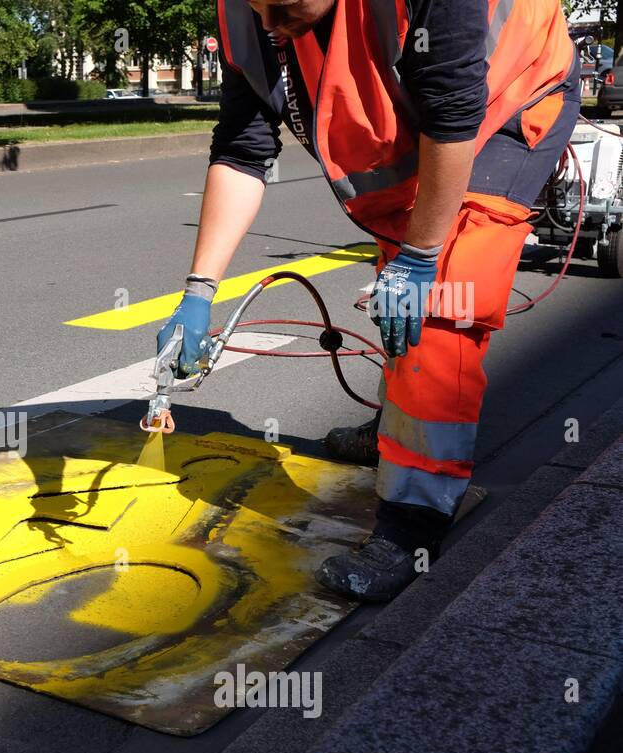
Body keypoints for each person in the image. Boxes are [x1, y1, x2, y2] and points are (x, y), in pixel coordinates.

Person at [158, 0, 580, 602]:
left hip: (514, 98)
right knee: (400, 288)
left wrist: (421, 256)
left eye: (283, 8)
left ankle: (413, 523)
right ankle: (394, 429)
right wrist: (198, 292)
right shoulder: (250, 13)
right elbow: (244, 148)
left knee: (439, 302)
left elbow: (454, 110)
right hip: (431, 124)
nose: (270, 23)